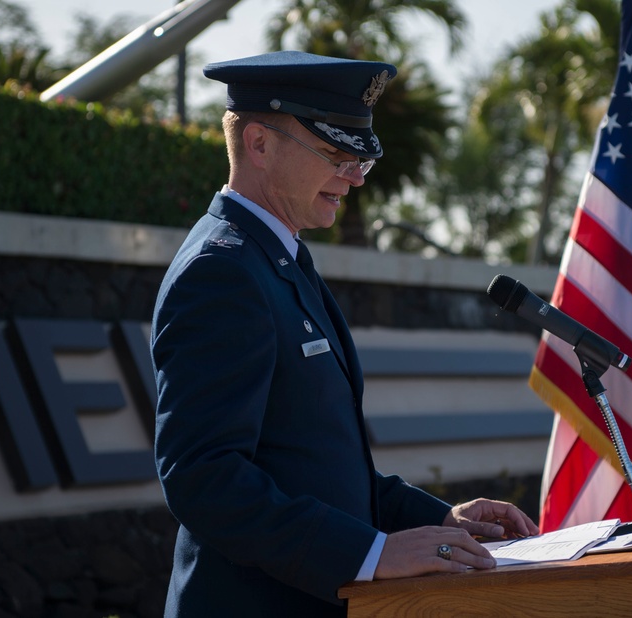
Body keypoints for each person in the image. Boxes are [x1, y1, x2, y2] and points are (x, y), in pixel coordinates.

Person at [151, 50, 539, 617]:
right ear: (259, 144)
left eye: (359, 158)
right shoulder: (223, 271)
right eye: (335, 152)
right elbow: (204, 478)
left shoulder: (274, 258)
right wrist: (372, 552)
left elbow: (318, 467)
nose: (355, 175)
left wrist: (438, 521)